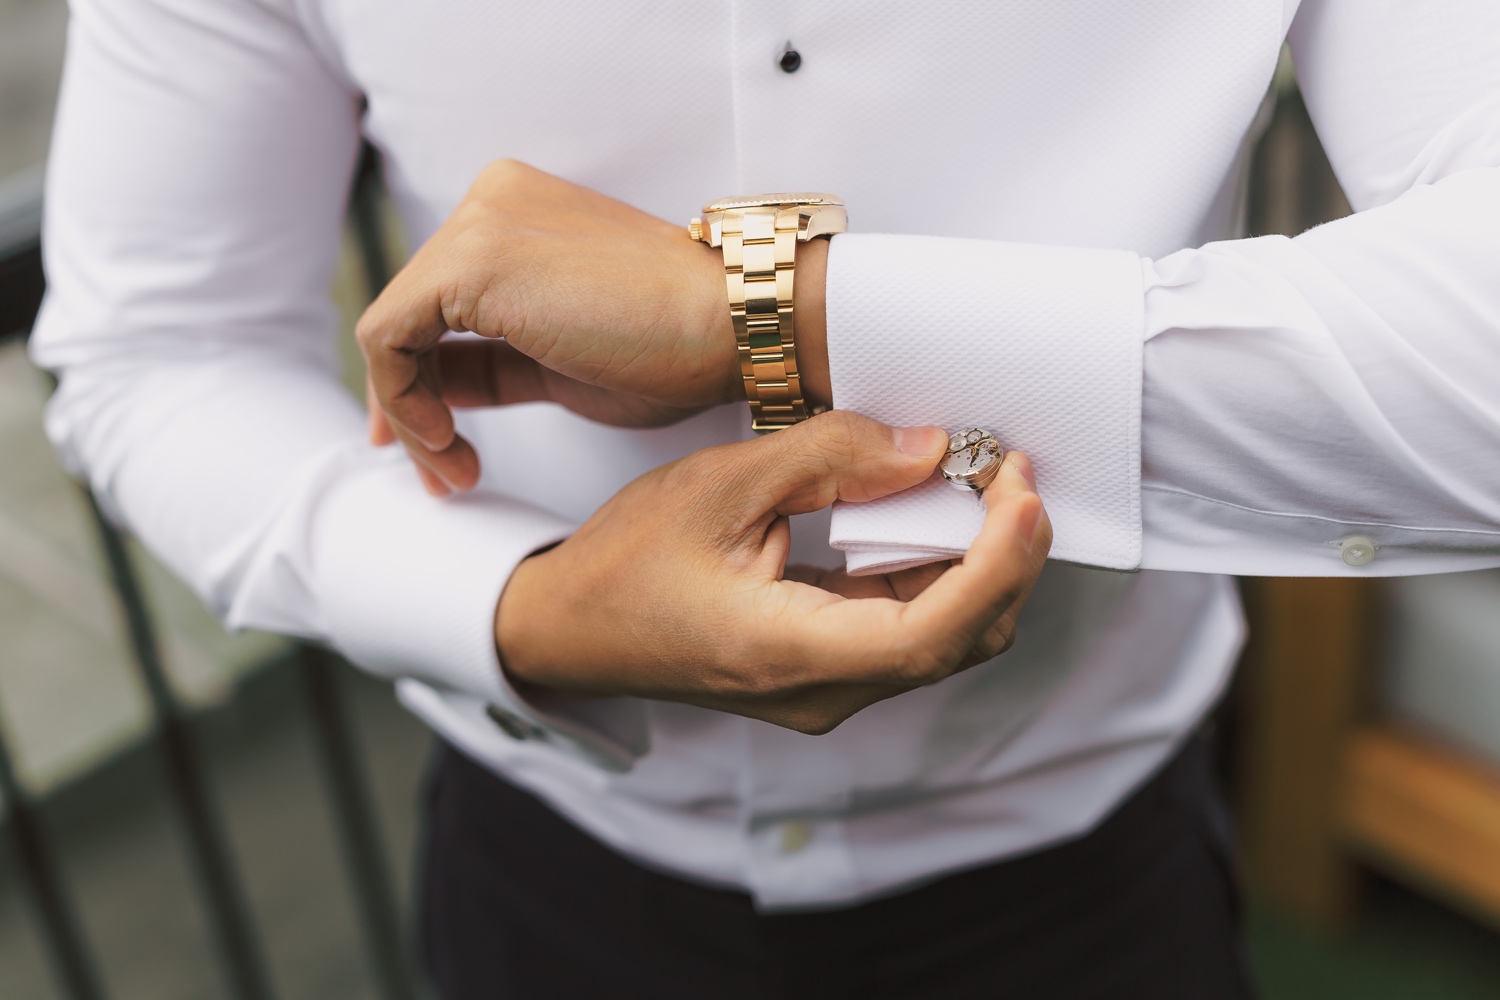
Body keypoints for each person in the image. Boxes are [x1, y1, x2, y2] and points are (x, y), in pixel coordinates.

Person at [31, 0, 1500, 996]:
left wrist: (767, 314)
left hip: (1092, 863)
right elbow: (158, 349)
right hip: (545, 856)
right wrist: (527, 610)